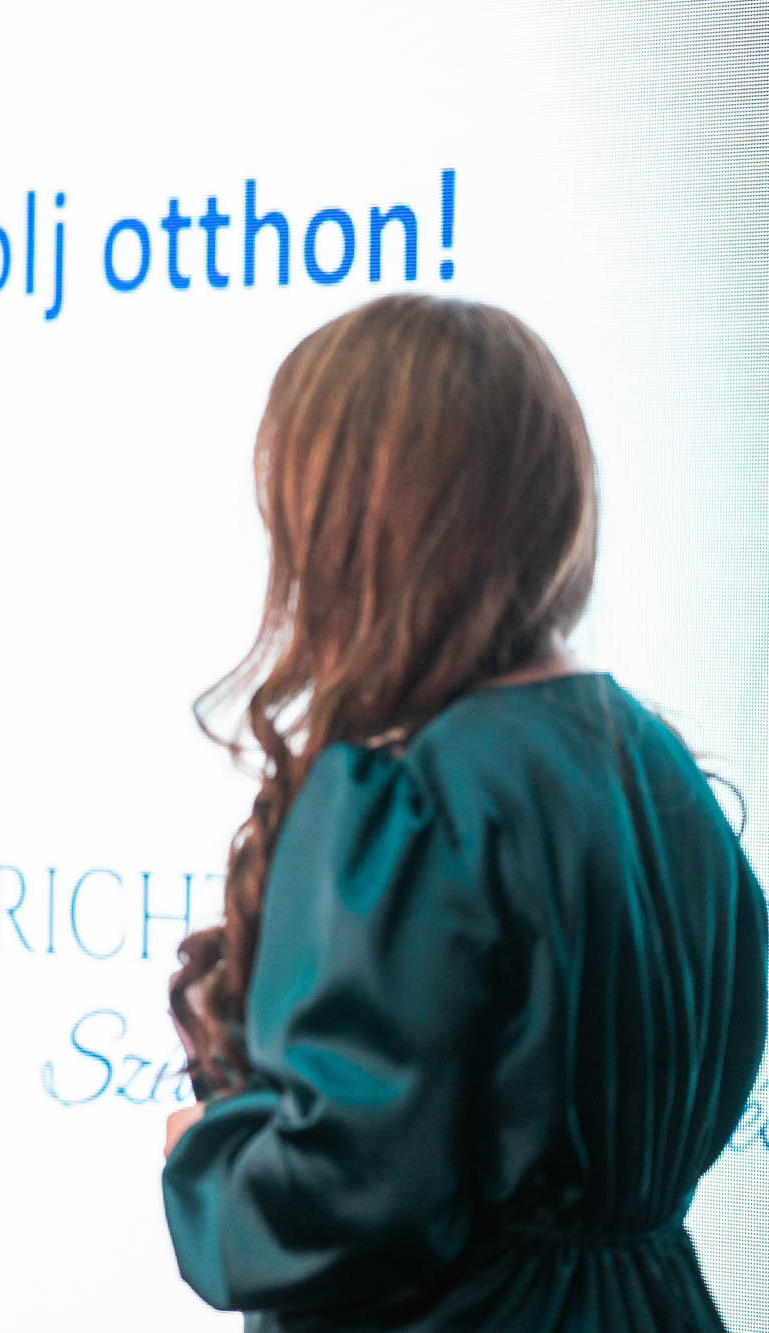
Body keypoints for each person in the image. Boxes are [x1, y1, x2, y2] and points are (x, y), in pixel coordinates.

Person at [159, 294, 766, 1331]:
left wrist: (203, 1160)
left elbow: (343, 1198)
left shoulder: (405, 798)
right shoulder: (663, 770)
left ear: (357, 527)